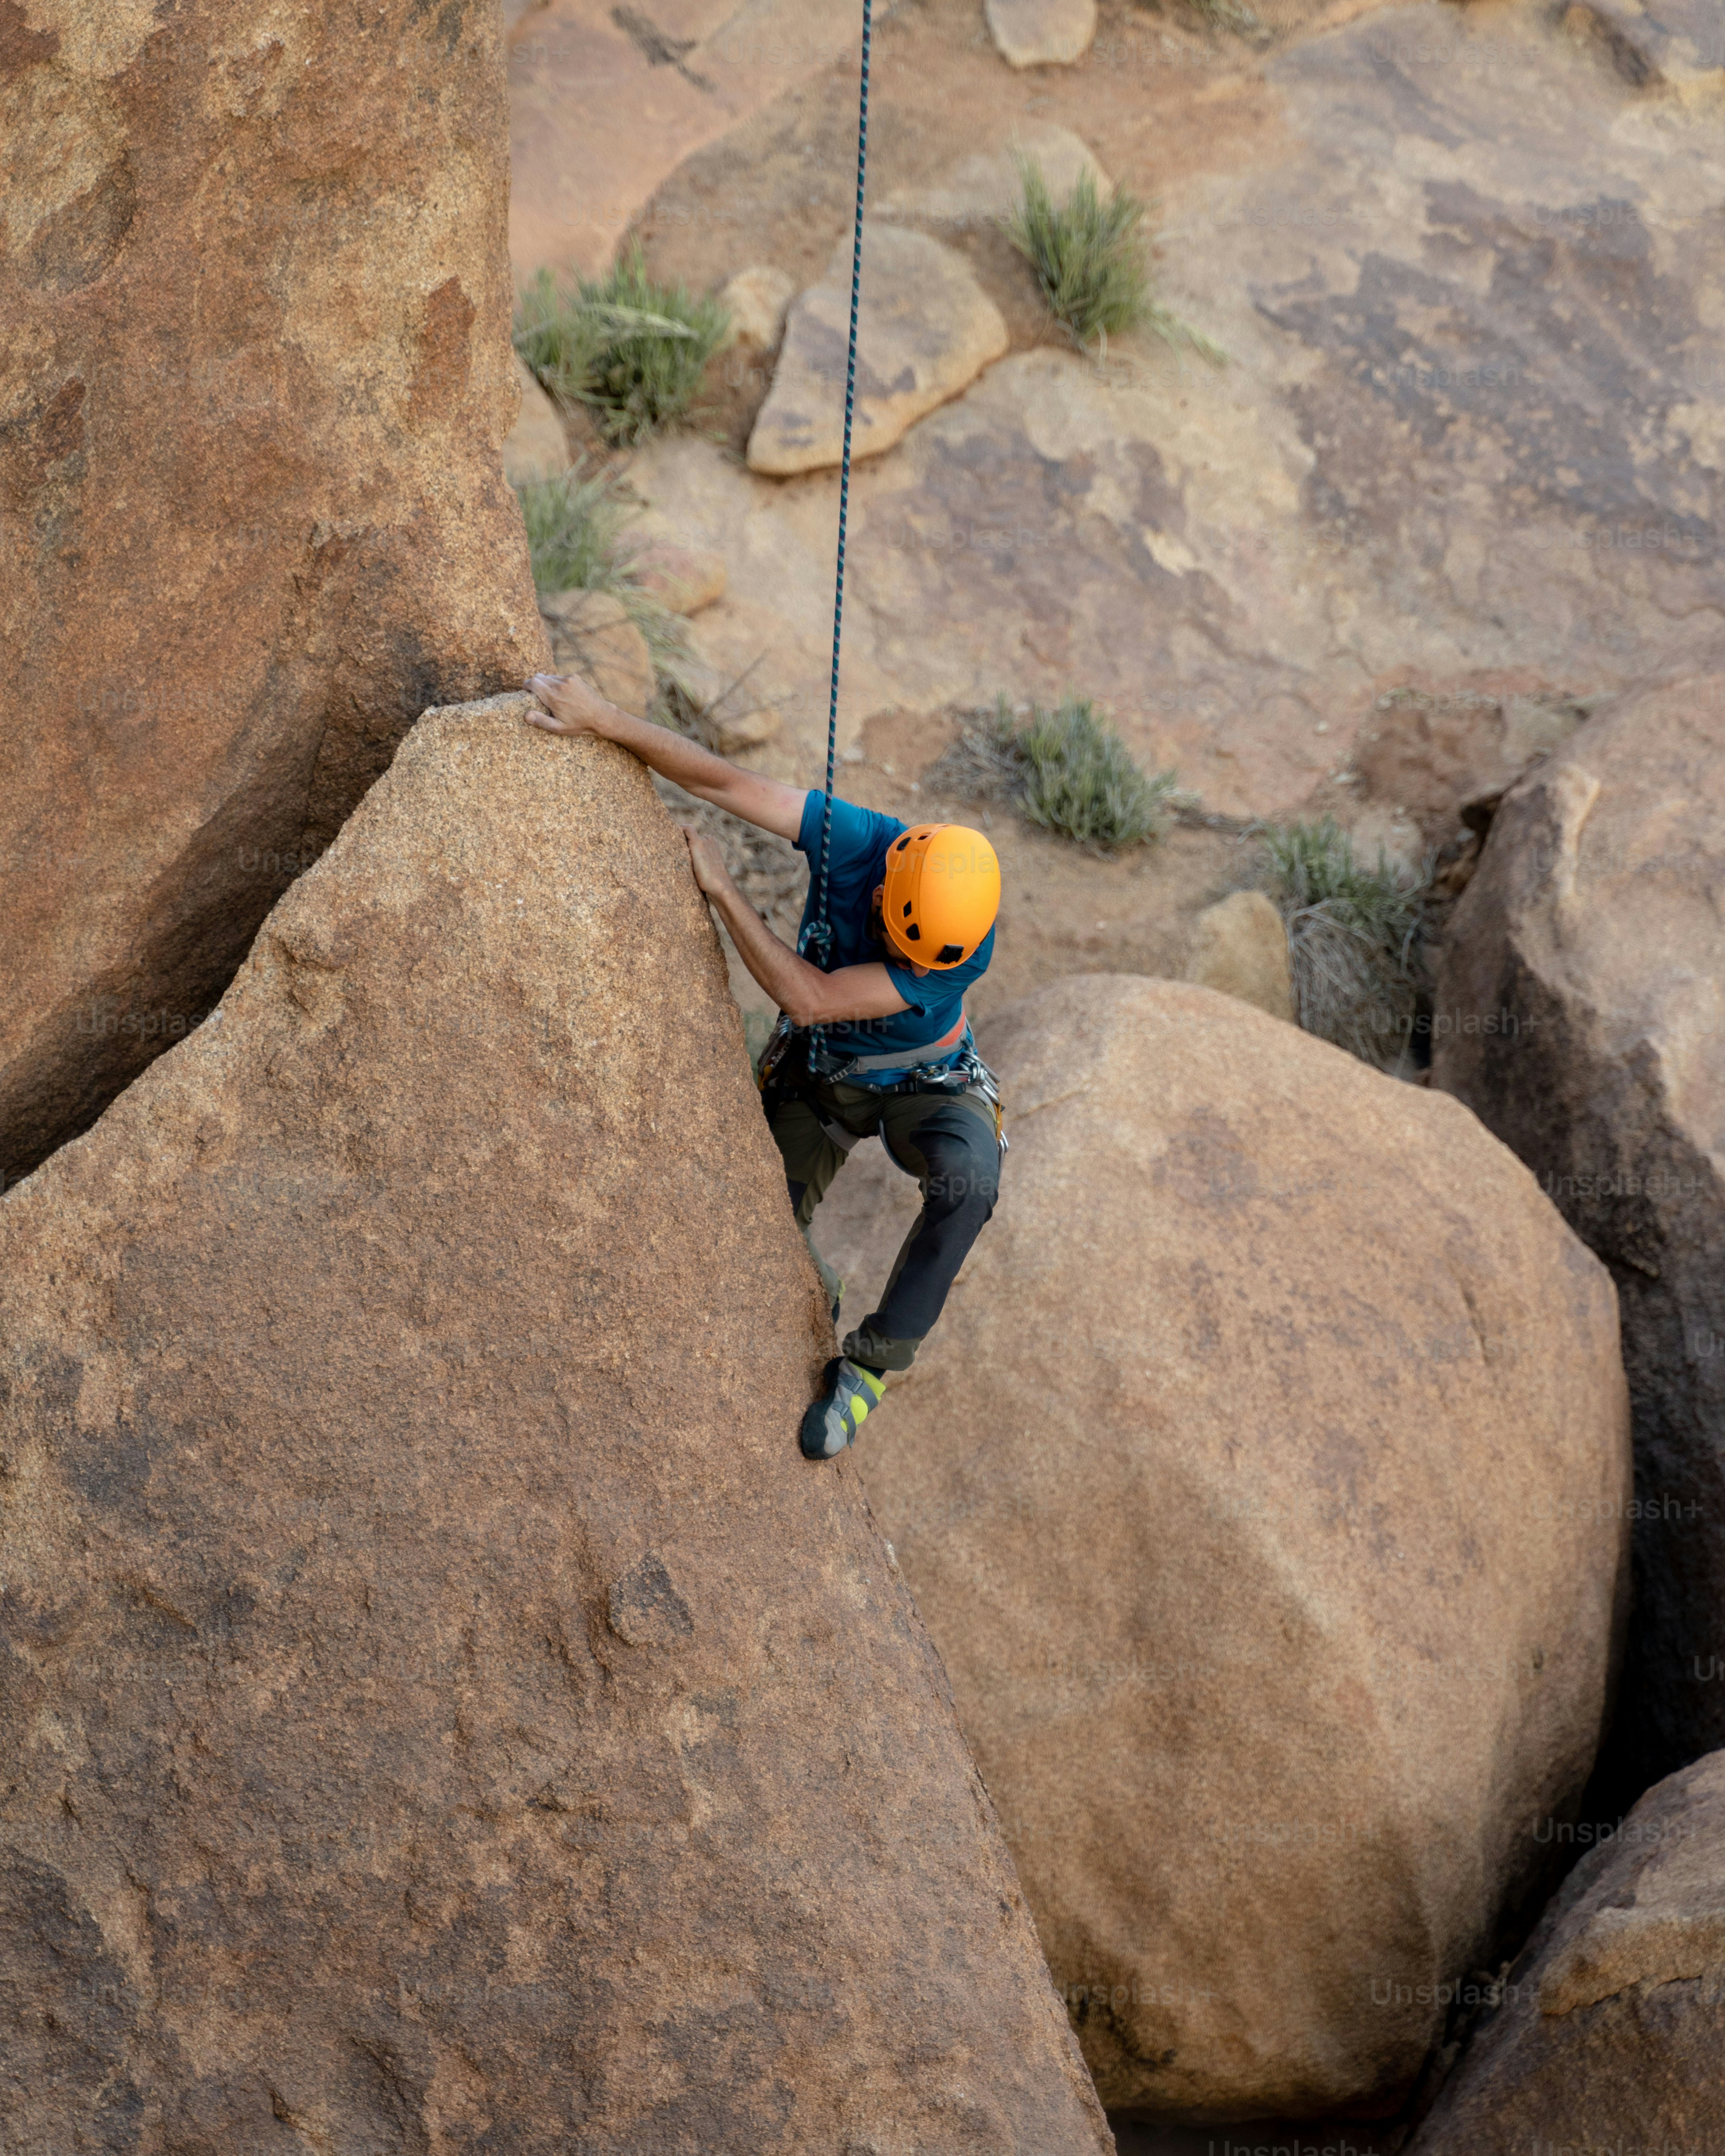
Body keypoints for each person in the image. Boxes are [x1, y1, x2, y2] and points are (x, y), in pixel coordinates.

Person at [525, 670, 1004, 1462]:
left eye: (908, 952)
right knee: (742, 1241)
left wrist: (723, 890)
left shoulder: (957, 947)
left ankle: (873, 1368)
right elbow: (722, 779)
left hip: (927, 1082)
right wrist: (605, 720)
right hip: (823, 1080)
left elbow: (812, 997)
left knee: (971, 1183)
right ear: (889, 878)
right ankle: (809, 1284)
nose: (894, 950)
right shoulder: (858, 840)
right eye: (893, 932)